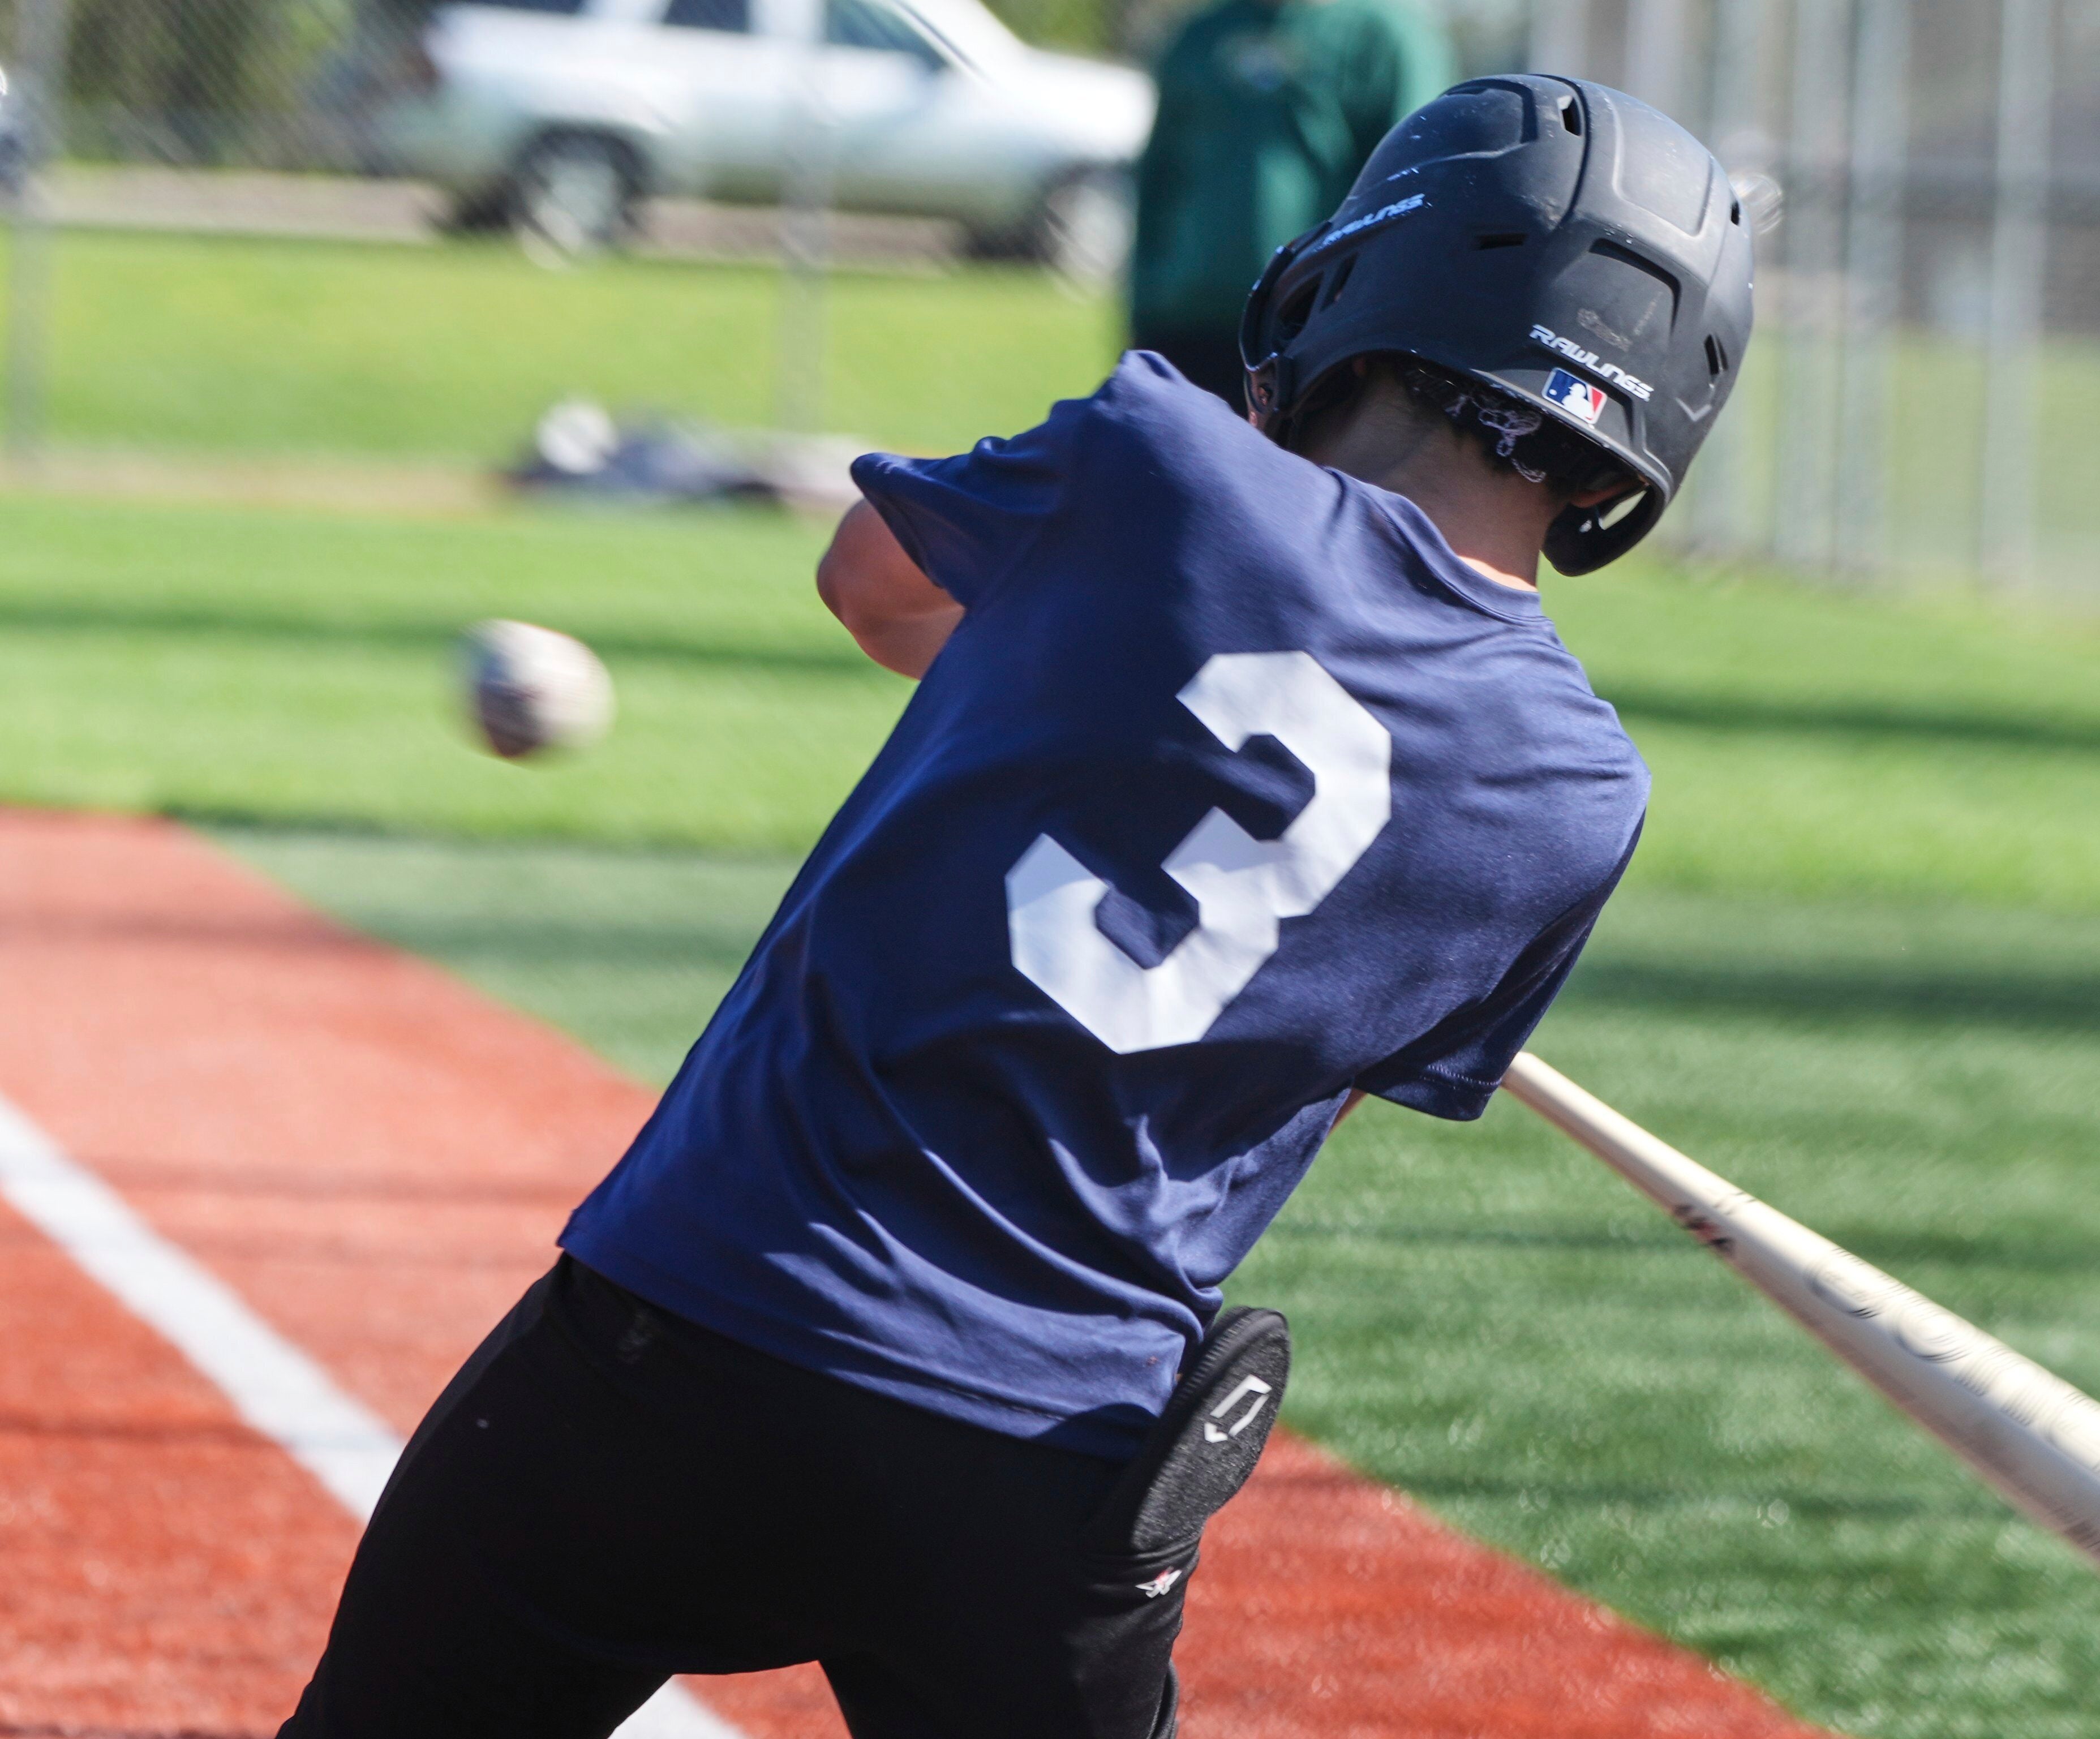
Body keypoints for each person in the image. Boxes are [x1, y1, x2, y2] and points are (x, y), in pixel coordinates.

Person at [277, 75, 1753, 1739]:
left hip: (697, 1325)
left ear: (1370, 283)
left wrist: (1085, 688)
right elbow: (1303, 1086)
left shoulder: (1160, 464)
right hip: (1041, 1472)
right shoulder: (1577, 791)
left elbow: (870, 585)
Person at [1129, 0, 1450, 409]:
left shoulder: (1386, 37)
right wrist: (1144, 309)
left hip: (1311, 334)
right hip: (1192, 320)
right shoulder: (1201, 35)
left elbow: (1413, 193)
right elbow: (1159, 179)